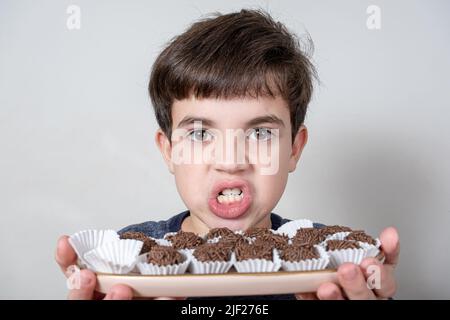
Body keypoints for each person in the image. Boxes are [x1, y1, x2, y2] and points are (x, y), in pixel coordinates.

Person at [55, 9, 399, 300]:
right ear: (169, 150)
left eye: (260, 133)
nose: (231, 160)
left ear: (294, 148)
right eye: (201, 133)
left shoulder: (331, 264)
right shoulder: (128, 262)